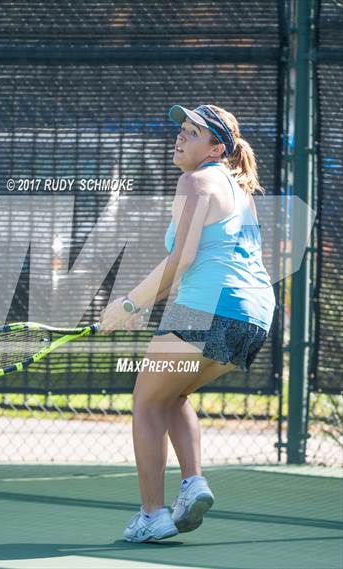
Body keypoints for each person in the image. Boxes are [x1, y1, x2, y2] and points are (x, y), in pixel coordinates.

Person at [99, 104, 276, 542]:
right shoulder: (239, 189)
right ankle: (193, 483)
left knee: (145, 401)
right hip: (254, 315)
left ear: (216, 147)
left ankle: (152, 515)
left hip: (209, 307)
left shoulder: (194, 181)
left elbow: (183, 259)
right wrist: (142, 304)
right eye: (181, 129)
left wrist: (126, 303)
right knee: (173, 393)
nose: (180, 137)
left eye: (193, 132)